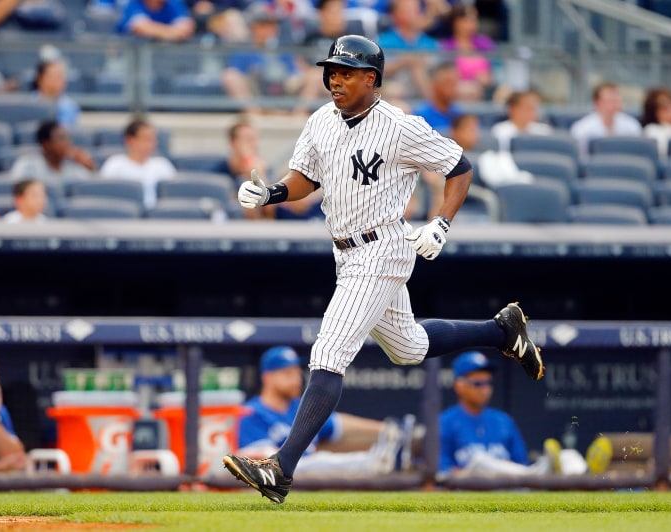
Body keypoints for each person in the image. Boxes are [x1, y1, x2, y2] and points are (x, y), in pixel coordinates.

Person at [222, 34, 544, 504]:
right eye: (331, 71)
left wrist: (441, 223)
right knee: (409, 347)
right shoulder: (320, 121)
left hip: (382, 248)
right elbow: (306, 178)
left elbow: (460, 166)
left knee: (328, 353)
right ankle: (502, 331)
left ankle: (280, 468)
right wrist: (271, 193)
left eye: (346, 72)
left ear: (371, 78)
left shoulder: (399, 126)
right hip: (345, 252)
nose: (334, 79)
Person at [438, 351, 612, 478]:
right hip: (473, 488)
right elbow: (442, 472)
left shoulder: (503, 420)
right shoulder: (445, 422)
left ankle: (585, 475)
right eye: (478, 383)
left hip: (512, 485)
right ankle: (547, 472)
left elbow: (520, 464)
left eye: (488, 382)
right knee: (480, 461)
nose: (485, 389)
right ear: (459, 386)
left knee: (568, 455)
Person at [237, 345, 406, 475]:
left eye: (297, 373)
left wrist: (386, 428)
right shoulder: (252, 413)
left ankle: (382, 459)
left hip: (313, 476)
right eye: (288, 374)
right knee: (314, 461)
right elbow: (265, 462)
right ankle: (375, 461)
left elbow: (339, 423)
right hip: (284, 476)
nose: (296, 380)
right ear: (267, 378)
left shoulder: (298, 406)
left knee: (323, 461)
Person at [99, 118, 176, 209]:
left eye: (153, 139)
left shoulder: (163, 165)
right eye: (146, 139)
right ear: (130, 140)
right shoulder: (114, 164)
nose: (151, 144)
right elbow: (104, 196)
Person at [378, 0, 439, 100]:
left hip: (426, 85)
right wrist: (402, 62)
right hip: (395, 87)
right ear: (395, 14)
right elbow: (376, 72)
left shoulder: (430, 43)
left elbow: (439, 70)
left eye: (416, 10)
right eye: (408, 10)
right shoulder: (383, 41)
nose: (414, 14)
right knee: (395, 90)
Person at [569, 82, 643, 158]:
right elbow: (581, 157)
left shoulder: (631, 125)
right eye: (610, 100)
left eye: (617, 100)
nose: (615, 104)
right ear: (597, 103)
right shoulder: (582, 128)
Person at [439, 4, 496, 101]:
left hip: (486, 90)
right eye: (468, 20)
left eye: (474, 19)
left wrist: (488, 77)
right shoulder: (446, 46)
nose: (473, 23)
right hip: (459, 91)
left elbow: (496, 68)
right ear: (456, 22)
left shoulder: (485, 43)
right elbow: (446, 75)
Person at [10, 120, 95, 184]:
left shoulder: (73, 166)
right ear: (45, 143)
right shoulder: (28, 166)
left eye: (68, 138)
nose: (67, 143)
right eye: (61, 138)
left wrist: (89, 168)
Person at [410, 62, 461, 133]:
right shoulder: (420, 116)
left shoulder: (459, 114)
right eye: (447, 83)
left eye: (454, 83)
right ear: (434, 85)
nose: (453, 88)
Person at [32, 59, 81, 130]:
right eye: (56, 76)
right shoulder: (28, 103)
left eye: (62, 76)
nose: (62, 80)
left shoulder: (69, 106)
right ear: (40, 78)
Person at [116, 0, 196, 41]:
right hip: (129, 62)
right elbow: (141, 28)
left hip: (165, 59)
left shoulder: (173, 3)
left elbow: (186, 28)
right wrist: (172, 33)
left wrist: (159, 32)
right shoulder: (135, 4)